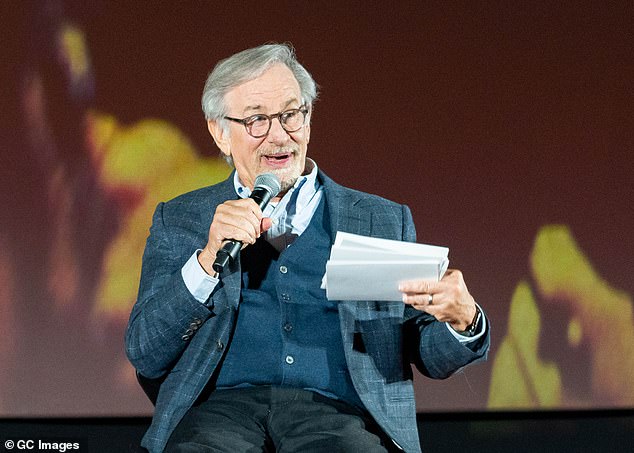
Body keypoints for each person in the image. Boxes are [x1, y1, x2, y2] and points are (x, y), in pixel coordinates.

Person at [125, 43, 490, 453]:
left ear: (309, 118)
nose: (278, 135)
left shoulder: (380, 220)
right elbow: (146, 350)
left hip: (338, 415)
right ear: (220, 133)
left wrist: (463, 321)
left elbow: (423, 349)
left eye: (290, 115)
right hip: (218, 415)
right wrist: (207, 262)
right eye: (257, 120)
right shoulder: (182, 219)